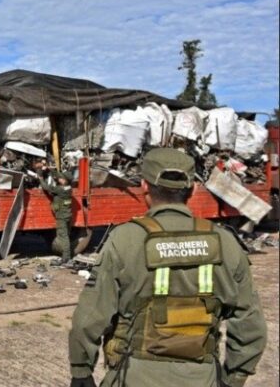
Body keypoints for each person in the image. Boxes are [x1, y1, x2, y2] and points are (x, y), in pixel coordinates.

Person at [68, 148, 266, 387]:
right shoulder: (226, 242)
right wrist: (233, 378)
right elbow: (249, 323)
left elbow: (90, 316)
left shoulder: (124, 240)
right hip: (202, 379)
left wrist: (81, 371)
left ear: (144, 186)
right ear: (192, 190)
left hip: (133, 376)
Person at [37, 162, 74, 266]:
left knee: (63, 236)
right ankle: (67, 256)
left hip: (62, 216)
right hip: (66, 215)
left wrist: (40, 178)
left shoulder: (61, 190)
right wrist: (49, 169)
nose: (59, 179)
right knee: (65, 235)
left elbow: (47, 188)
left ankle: (66, 258)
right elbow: (58, 176)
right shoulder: (68, 188)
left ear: (66, 181)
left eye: (62, 179)